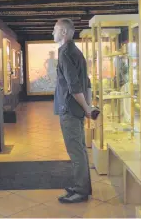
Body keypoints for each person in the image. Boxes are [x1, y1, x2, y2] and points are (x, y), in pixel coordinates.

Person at [52, 18, 92, 204]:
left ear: (64, 33)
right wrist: (88, 108)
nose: (52, 33)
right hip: (77, 110)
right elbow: (87, 83)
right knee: (80, 150)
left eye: (55, 30)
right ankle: (81, 186)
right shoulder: (76, 52)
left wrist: (87, 108)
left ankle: (81, 191)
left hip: (70, 109)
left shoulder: (66, 53)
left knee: (76, 152)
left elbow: (75, 87)